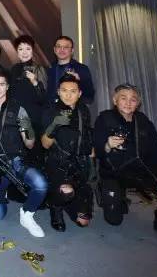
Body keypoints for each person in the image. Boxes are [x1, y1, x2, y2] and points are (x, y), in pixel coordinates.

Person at [93, 84, 157, 243]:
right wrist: (107, 145)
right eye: (123, 98)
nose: (128, 103)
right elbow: (97, 152)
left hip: (139, 172)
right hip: (113, 174)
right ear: (115, 100)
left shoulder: (143, 122)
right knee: (114, 220)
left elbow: (156, 153)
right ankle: (113, 194)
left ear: (138, 103)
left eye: (133, 99)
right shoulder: (104, 118)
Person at [0, 69, 48, 238]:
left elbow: (29, 144)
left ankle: (27, 214)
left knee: (41, 184)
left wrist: (29, 130)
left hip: (15, 161)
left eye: (2, 84)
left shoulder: (18, 109)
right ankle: (2, 189)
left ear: (7, 87)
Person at [41, 75, 94, 231]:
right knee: (65, 193)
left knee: (83, 221)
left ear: (80, 93)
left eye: (73, 91)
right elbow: (45, 144)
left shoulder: (83, 110)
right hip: (59, 164)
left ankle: (70, 199)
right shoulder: (50, 111)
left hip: (79, 165)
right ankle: (55, 206)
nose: (68, 95)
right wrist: (54, 126)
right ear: (58, 92)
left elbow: (87, 135)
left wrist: (92, 157)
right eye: (64, 90)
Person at [9, 35, 47, 133]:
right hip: (17, 116)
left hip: (34, 117)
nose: (24, 52)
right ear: (17, 52)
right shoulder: (14, 69)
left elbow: (44, 98)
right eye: (20, 49)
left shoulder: (39, 69)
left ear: (33, 51)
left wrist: (35, 82)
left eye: (28, 49)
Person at [47, 36, 95, 104]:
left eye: (66, 47)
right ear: (54, 50)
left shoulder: (81, 69)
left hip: (74, 108)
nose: (62, 49)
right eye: (59, 46)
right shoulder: (49, 68)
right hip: (51, 108)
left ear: (72, 51)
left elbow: (90, 97)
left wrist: (79, 81)